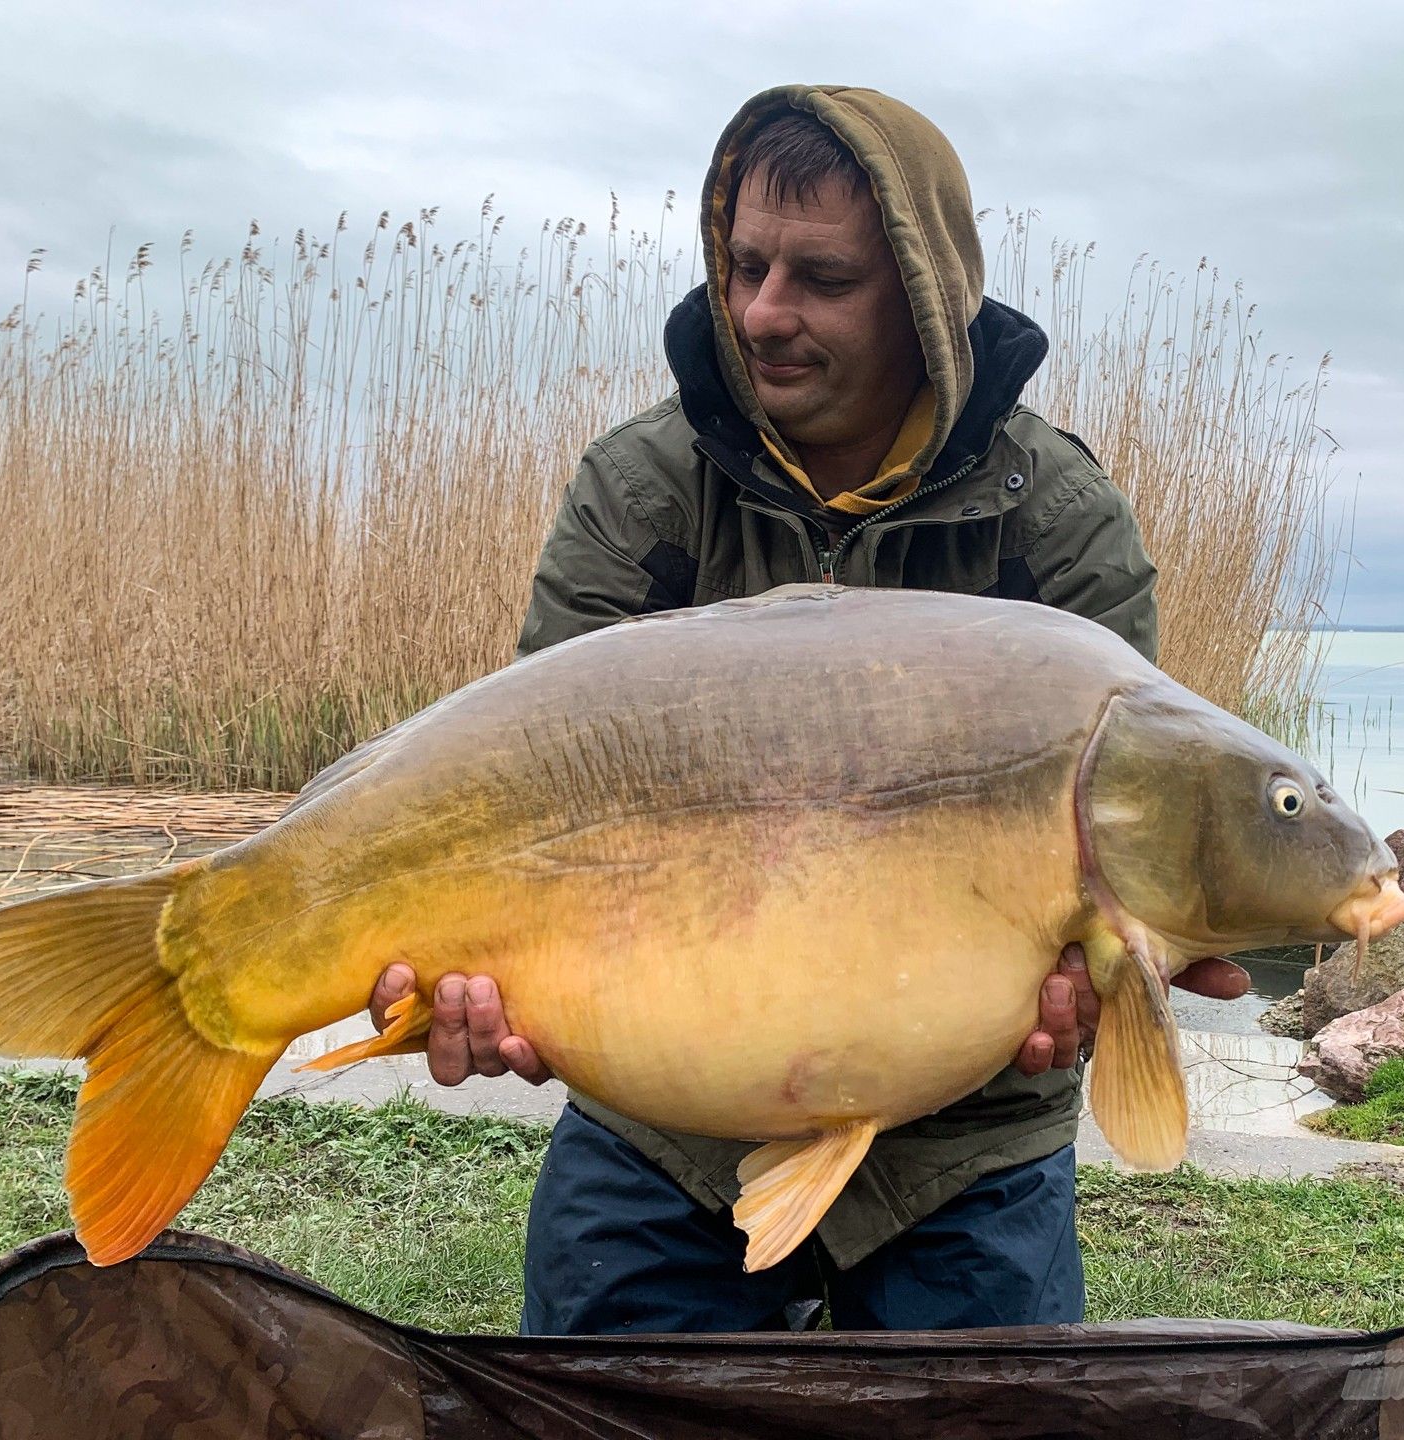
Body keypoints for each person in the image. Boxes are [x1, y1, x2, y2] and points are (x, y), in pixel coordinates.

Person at [367, 84, 1247, 1335]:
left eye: (819, 279)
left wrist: (1099, 983)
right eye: (743, 265)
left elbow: (1125, 850)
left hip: (964, 1146)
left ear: (924, 299)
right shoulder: (642, 487)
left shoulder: (1054, 521)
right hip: (667, 1129)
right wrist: (470, 988)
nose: (762, 313)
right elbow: (524, 796)